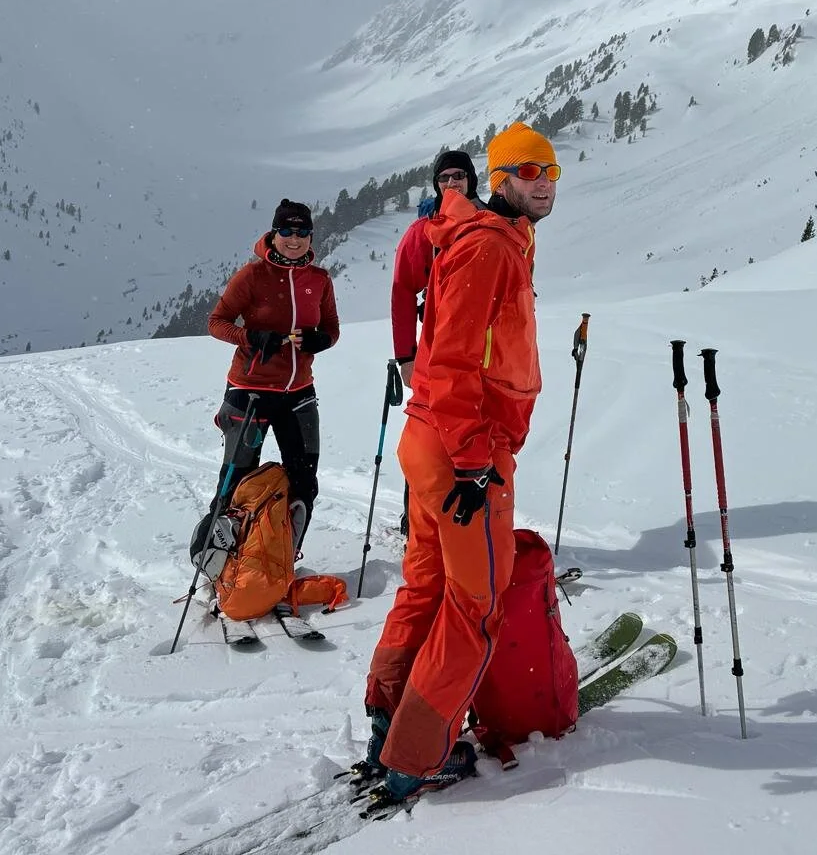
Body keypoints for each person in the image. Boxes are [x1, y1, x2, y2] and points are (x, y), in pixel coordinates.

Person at [361, 122, 561, 803]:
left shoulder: (498, 241)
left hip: (431, 442)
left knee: (425, 589)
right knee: (476, 606)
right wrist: (476, 464)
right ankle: (417, 754)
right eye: (530, 170)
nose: (545, 183)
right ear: (499, 176)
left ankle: (388, 719)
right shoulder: (487, 249)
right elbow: (449, 361)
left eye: (552, 172)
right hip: (462, 454)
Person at [206, 199, 339, 560]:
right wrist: (251, 337)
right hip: (249, 392)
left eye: (302, 232)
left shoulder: (319, 280)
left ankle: (281, 559)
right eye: (286, 231)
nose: (294, 239)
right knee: (236, 480)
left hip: (299, 394)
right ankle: (222, 562)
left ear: (311, 237)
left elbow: (331, 329)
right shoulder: (251, 276)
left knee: (304, 482)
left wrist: (319, 341)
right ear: (274, 233)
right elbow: (217, 322)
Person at [389, 149, 481, 535]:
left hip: (479, 350)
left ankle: (474, 519)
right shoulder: (423, 231)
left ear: (471, 179)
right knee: (428, 433)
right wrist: (405, 356)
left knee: (475, 430)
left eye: (458, 176)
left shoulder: (487, 222)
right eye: (444, 178)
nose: (451, 184)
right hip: (432, 352)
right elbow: (401, 292)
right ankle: (418, 520)